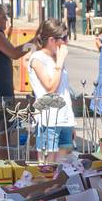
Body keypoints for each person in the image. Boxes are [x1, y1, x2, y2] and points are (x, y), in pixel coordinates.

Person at [27, 18, 75, 152]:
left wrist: (71, 123)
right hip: (49, 120)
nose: (67, 41)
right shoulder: (37, 58)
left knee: (66, 166)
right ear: (52, 40)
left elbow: (64, 91)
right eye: (64, 38)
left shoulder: (56, 58)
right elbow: (50, 88)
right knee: (49, 166)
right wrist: (59, 62)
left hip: (65, 119)